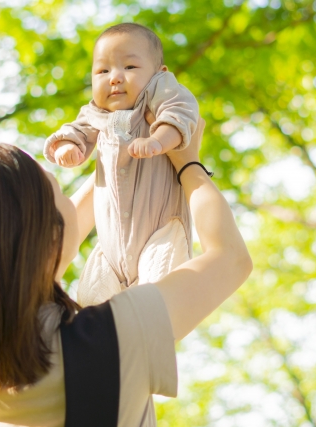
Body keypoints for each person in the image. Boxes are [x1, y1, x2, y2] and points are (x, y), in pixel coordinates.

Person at [0, 116, 252, 426]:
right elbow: (230, 257)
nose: (71, 201)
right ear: (45, 238)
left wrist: (120, 154)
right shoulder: (117, 335)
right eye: (60, 194)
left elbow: (64, 230)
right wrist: (188, 161)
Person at [44, 23, 200, 307]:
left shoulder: (156, 97)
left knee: (155, 301)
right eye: (102, 71)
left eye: (129, 67)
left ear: (159, 74)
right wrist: (68, 147)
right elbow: (76, 130)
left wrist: (160, 140)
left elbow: (181, 111)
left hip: (160, 233)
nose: (114, 78)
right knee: (90, 304)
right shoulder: (95, 112)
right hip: (111, 248)